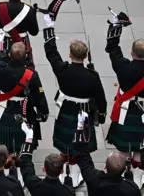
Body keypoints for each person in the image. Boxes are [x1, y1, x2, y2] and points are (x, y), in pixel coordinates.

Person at [41, 14, 107, 187]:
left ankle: (65, 163)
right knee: (81, 140)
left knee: (65, 139)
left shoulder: (62, 70)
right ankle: (77, 168)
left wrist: (49, 27)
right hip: (84, 111)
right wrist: (101, 116)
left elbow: (51, 52)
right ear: (85, 56)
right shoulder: (92, 76)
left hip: (66, 109)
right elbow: (101, 98)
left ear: (69, 54)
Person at [0, 33, 49, 184]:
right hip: (24, 110)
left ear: (9, 54)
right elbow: (39, 97)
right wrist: (43, 112)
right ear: (26, 55)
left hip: (5, 109)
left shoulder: (0, 68)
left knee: (4, 143)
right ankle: (20, 171)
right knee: (23, 143)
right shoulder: (31, 74)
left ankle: (5, 169)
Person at [105, 11, 144, 189]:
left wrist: (115, 27)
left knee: (122, 148)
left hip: (125, 112)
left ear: (131, 52)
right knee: (140, 149)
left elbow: (113, 49)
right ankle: (138, 176)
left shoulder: (124, 67)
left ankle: (119, 174)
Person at [74, 112, 141, 196]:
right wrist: (129, 178)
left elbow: (82, 157)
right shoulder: (132, 189)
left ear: (106, 166)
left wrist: (80, 126)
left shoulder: (94, 178)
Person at [19, 122, 75, 195]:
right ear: (62, 171)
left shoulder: (35, 186)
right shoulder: (68, 192)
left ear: (44, 169)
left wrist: (29, 136)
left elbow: (25, 163)